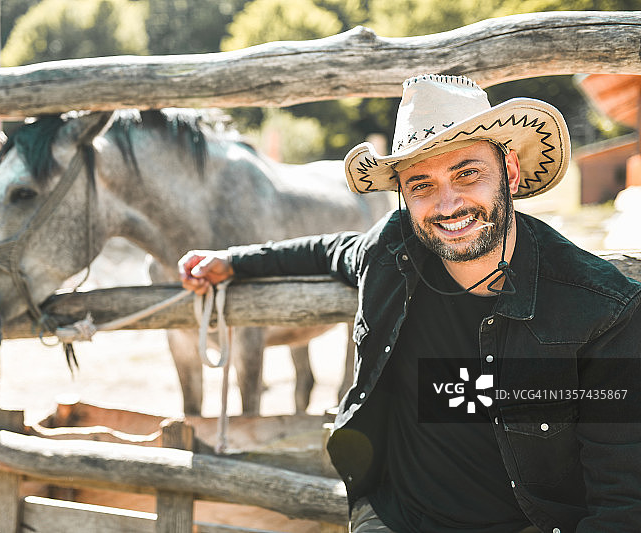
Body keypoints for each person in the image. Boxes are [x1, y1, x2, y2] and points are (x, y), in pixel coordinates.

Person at [179, 75, 641, 532]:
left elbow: (622, 501)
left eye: (467, 173)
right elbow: (329, 249)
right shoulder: (392, 249)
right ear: (403, 196)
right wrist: (233, 262)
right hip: (393, 515)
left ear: (511, 172)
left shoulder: (601, 313)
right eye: (421, 185)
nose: (447, 204)